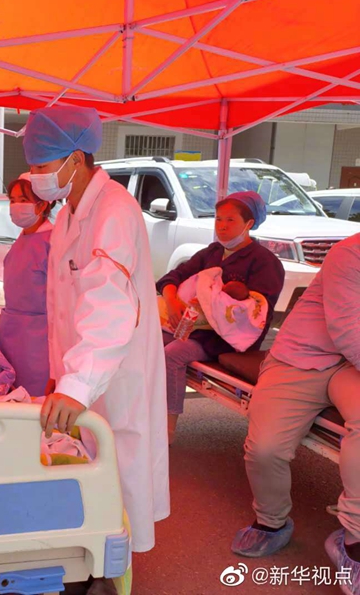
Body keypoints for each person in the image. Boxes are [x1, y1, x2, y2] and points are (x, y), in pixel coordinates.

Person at [25, 105, 169, 553]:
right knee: (93, 465)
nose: (35, 177)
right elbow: (63, 305)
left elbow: (109, 304)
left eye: (42, 166)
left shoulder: (114, 212)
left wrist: (78, 383)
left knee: (119, 463)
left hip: (115, 368)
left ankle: (116, 565)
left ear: (76, 158)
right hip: (87, 366)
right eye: (32, 167)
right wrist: (61, 374)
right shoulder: (69, 213)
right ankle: (96, 554)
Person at [231, 232, 360, 590]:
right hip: (300, 358)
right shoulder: (349, 253)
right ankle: (271, 521)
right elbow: (348, 330)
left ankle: (353, 540)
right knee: (265, 448)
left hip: (351, 368)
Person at [157, 192, 284, 444]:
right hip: (193, 327)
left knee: (173, 354)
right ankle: (142, 412)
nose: (222, 226)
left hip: (225, 340)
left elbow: (256, 313)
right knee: (145, 338)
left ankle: (167, 428)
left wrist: (214, 309)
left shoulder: (265, 262)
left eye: (230, 220)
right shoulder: (212, 252)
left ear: (249, 224)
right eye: (218, 219)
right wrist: (172, 302)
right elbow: (171, 278)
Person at [0, 176, 53, 397]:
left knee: (36, 401)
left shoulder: (52, 242)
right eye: (12, 200)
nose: (16, 206)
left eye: (23, 200)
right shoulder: (23, 239)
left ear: (43, 204)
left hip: (39, 341)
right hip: (13, 334)